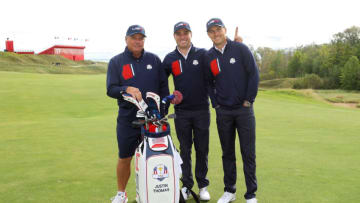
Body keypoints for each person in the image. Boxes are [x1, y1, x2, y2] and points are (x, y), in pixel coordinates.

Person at [162, 21, 244, 202]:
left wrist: (237, 47)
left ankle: (202, 186)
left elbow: (223, 71)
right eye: (179, 34)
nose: (182, 36)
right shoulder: (169, 58)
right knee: (184, 150)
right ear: (174, 36)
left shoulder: (204, 55)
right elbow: (161, 83)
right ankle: (187, 185)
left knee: (202, 149)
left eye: (186, 33)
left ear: (191, 34)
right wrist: (166, 100)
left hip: (201, 110)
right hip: (181, 112)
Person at [106, 25, 169, 203]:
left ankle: (151, 193)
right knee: (125, 157)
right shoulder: (116, 62)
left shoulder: (154, 60)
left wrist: (162, 112)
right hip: (128, 119)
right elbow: (111, 89)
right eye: (134, 37)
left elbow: (164, 88)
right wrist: (126, 88)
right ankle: (121, 194)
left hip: (153, 120)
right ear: (126, 39)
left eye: (141, 38)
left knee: (154, 157)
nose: (137, 41)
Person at [204, 18, 259, 203]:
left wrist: (248, 100)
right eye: (211, 31)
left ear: (224, 30)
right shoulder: (209, 56)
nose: (216, 33)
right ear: (208, 34)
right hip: (224, 112)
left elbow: (253, 74)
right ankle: (230, 190)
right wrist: (215, 104)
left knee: (248, 153)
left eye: (218, 29)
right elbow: (209, 83)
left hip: (244, 111)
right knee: (227, 153)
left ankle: (251, 193)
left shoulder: (240, 49)